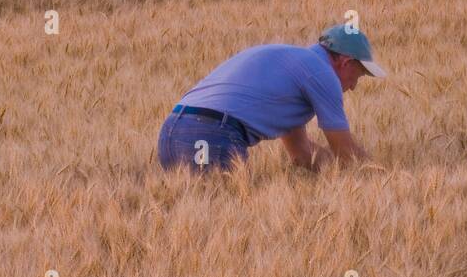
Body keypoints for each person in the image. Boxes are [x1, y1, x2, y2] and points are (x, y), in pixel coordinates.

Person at [157, 24, 385, 173]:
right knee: (224, 220)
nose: (354, 86)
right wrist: (383, 176)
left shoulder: (291, 66)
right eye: (359, 74)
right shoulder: (322, 74)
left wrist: (332, 170)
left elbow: (302, 155)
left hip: (171, 133)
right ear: (345, 62)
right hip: (211, 135)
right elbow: (347, 155)